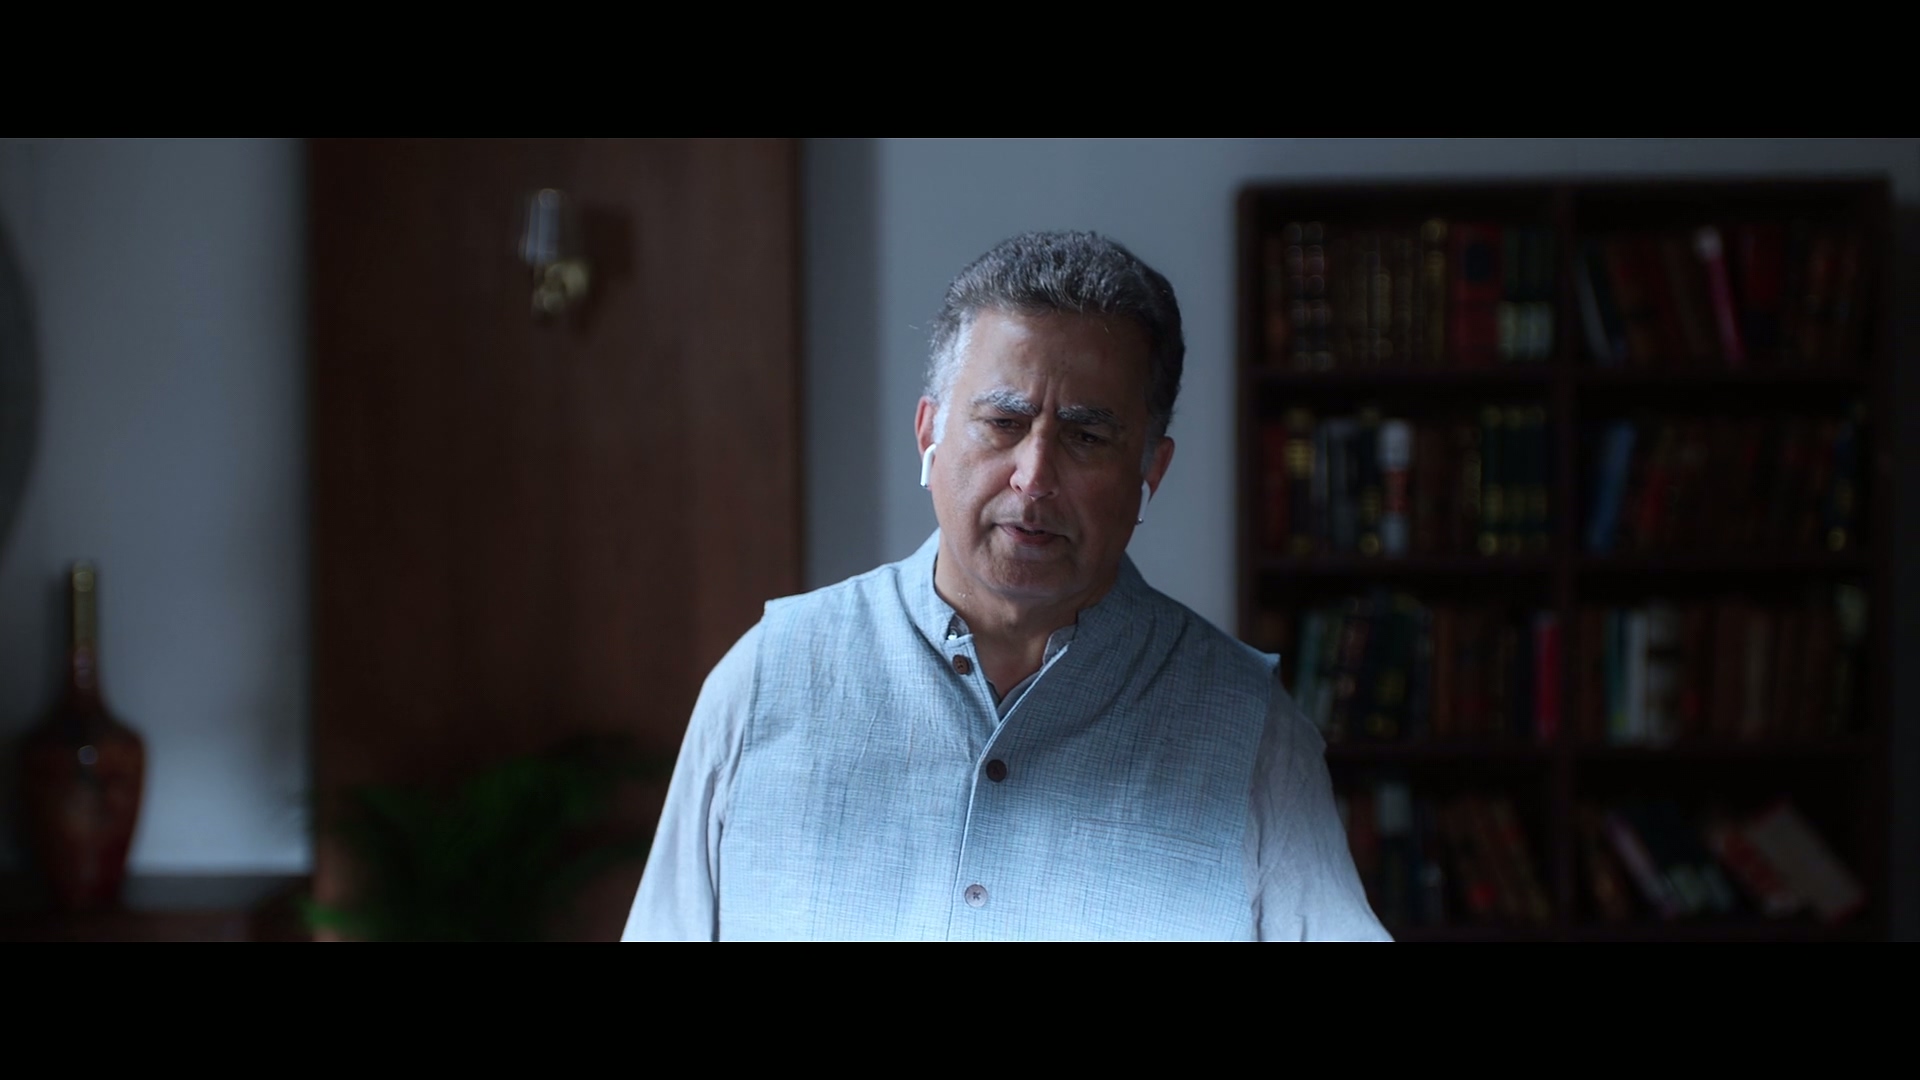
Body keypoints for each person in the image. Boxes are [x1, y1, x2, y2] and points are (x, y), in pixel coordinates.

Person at [622, 230, 1389, 941]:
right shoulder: (765, 682)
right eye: (1002, 423)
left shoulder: (1252, 734)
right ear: (929, 434)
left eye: (1086, 436)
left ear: (1149, 472)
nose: (1034, 477)